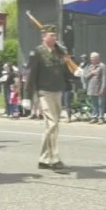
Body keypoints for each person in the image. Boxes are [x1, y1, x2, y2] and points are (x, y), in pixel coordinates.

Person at [26, 24, 71, 170]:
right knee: (52, 125)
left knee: (52, 127)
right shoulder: (37, 53)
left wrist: (75, 74)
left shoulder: (59, 52)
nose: (54, 37)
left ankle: (44, 159)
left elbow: (64, 72)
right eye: (51, 35)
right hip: (44, 92)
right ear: (43, 36)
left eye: (55, 35)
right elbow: (31, 75)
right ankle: (54, 158)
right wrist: (27, 96)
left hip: (57, 91)